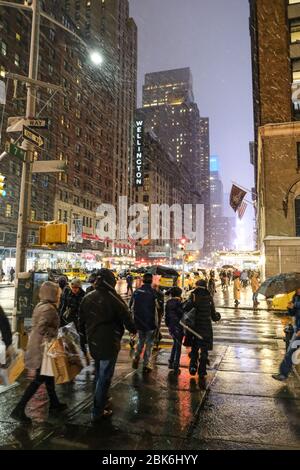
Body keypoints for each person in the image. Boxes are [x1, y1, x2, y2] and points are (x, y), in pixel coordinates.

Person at [79, 269, 136, 423]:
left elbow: (81, 321)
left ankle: (101, 402)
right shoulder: (114, 298)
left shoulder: (88, 297)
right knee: (104, 377)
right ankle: (97, 411)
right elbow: (127, 318)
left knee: (98, 374)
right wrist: (133, 330)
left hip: (94, 342)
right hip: (109, 342)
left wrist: (84, 339)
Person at [10, 282, 67, 423]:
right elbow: (42, 328)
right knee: (39, 379)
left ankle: (54, 404)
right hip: (43, 349)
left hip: (39, 346)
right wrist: (53, 335)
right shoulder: (49, 308)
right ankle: (18, 409)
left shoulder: (41, 305)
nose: (59, 296)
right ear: (52, 294)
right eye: (57, 293)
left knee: (48, 376)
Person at [184, 280, 220, 379]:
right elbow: (213, 315)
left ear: (197, 286)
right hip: (206, 327)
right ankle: (202, 371)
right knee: (204, 349)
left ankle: (192, 367)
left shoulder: (193, 295)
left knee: (195, 347)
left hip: (195, 326)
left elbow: (187, 308)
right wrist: (218, 316)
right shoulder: (209, 297)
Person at [130, 273, 158, 372]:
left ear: (143, 280)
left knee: (141, 340)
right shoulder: (153, 292)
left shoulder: (136, 291)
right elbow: (158, 308)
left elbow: (131, 306)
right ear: (151, 281)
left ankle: (136, 356)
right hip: (150, 322)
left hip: (139, 321)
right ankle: (146, 364)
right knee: (149, 344)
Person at [272, 289, 300, 382]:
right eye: (297, 288)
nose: (298, 290)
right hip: (297, 328)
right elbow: (293, 313)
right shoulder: (295, 297)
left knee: (291, 351)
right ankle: (283, 373)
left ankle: (283, 373)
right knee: (291, 351)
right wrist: (290, 307)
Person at [165, 287, 184, 375]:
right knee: (178, 345)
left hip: (171, 326)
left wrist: (168, 325)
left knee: (175, 344)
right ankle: (176, 364)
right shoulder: (179, 303)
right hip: (178, 326)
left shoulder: (168, 302)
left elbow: (166, 316)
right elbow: (181, 313)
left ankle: (171, 361)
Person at [152, 284, 164, 350]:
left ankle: (156, 341)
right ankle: (157, 338)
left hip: (157, 312)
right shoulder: (156, 293)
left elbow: (161, 305)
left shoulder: (159, 294)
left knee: (156, 327)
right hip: (155, 313)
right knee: (156, 327)